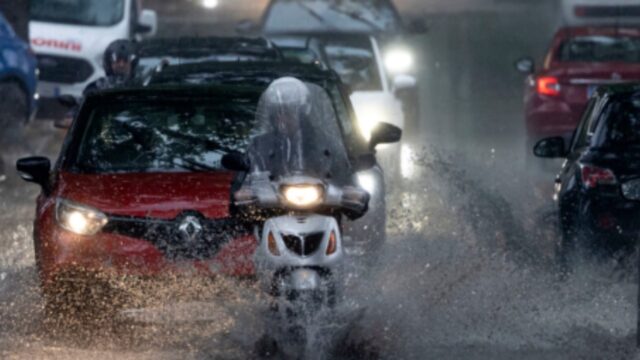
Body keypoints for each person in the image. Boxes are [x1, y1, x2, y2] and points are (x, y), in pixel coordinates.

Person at [248, 77, 312, 178]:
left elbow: (338, 172)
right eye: (277, 114)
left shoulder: (319, 143)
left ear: (301, 115)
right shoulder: (259, 144)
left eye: (288, 113)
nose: (282, 119)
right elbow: (251, 173)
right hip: (269, 192)